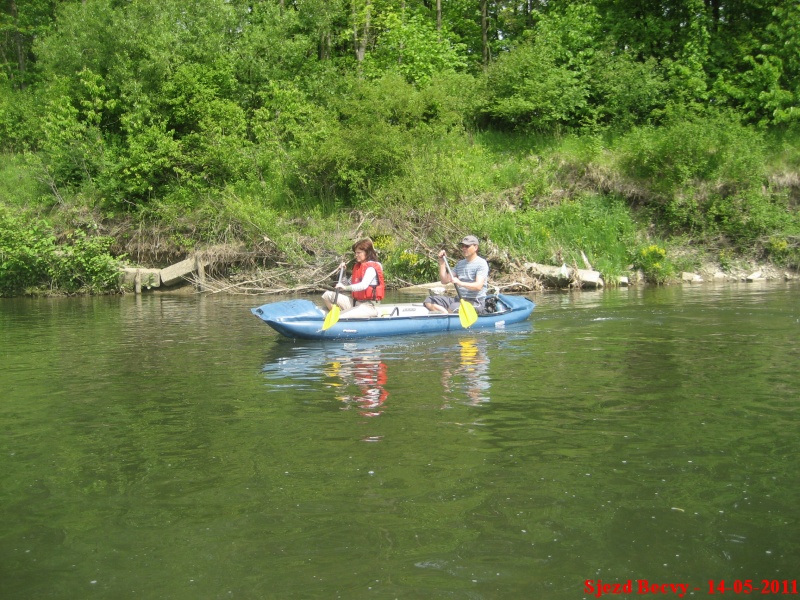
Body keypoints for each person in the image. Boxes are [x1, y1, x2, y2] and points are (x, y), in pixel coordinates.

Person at [424, 235, 489, 315]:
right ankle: (445, 314)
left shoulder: (481, 263)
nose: (464, 248)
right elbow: (444, 280)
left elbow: (478, 286)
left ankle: (448, 314)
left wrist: (460, 283)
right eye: (463, 246)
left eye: (467, 246)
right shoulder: (460, 264)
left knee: (453, 307)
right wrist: (442, 262)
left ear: (475, 247)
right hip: (459, 300)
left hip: (476, 301)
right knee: (429, 300)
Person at [322, 238, 386, 319]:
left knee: (339, 317)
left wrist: (345, 287)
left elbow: (363, 285)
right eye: (355, 253)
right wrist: (343, 271)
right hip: (355, 303)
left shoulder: (371, 268)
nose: (356, 255)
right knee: (326, 295)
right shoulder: (358, 267)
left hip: (369, 307)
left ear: (367, 252)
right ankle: (336, 314)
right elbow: (346, 284)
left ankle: (338, 317)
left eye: (359, 253)